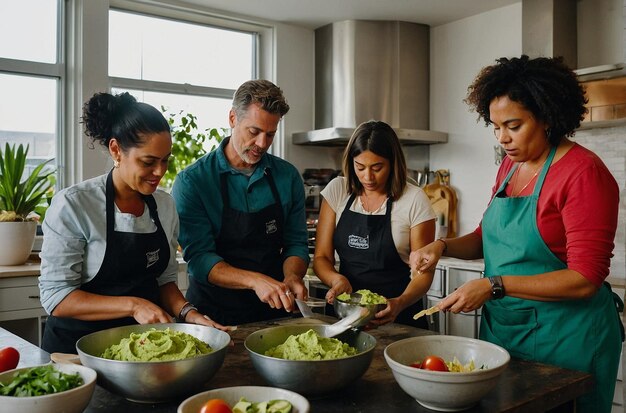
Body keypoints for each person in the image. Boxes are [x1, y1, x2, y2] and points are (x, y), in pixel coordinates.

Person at [410, 55, 623, 413]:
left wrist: (494, 286)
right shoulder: (511, 166)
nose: (502, 138)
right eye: (494, 127)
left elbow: (585, 278)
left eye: (513, 125)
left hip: (567, 339)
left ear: (547, 117)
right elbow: (486, 235)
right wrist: (441, 245)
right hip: (507, 330)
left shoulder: (583, 173)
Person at [39, 92, 228, 354]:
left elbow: (164, 281)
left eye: (165, 161)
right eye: (149, 162)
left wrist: (190, 314)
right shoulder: (74, 205)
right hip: (76, 355)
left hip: (140, 352)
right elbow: (57, 297)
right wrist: (134, 305)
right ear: (116, 150)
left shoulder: (164, 205)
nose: (160, 172)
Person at [171, 79, 309, 326]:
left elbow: (296, 243)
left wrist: (292, 276)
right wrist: (255, 281)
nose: (262, 144)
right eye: (254, 132)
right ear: (233, 119)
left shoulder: (287, 177)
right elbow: (200, 258)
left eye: (270, 134)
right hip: (214, 317)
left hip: (274, 313)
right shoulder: (193, 182)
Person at [313, 120, 437, 328]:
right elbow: (321, 257)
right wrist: (335, 280)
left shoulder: (415, 199)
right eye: (360, 167)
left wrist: (400, 303)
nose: (367, 177)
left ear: (393, 163)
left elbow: (423, 274)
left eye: (377, 167)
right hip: (346, 316)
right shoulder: (337, 190)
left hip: (399, 317)